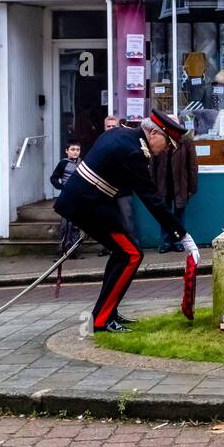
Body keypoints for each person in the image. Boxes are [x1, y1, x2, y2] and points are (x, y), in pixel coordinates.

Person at [54, 109, 199, 332]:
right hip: (88, 204)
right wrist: (183, 234)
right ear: (153, 133)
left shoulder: (122, 135)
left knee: (124, 253)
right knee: (131, 254)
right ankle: (102, 319)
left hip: (91, 202)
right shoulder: (133, 151)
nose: (167, 149)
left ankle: (107, 312)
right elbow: (151, 198)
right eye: (167, 142)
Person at [152, 115, 198, 253]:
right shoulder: (159, 140)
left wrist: (192, 187)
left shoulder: (186, 142)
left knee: (179, 215)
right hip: (163, 184)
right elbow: (152, 165)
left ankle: (178, 241)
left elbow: (192, 166)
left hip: (180, 185)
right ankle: (166, 241)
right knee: (164, 214)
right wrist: (152, 185)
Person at [97, 115, 138, 257]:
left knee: (127, 220)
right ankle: (109, 247)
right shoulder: (100, 142)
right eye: (109, 126)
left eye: (114, 126)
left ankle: (133, 247)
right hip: (105, 189)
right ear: (104, 127)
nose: (111, 129)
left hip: (123, 188)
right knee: (107, 220)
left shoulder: (123, 142)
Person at [50, 141, 84, 256]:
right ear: (67, 151)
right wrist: (60, 186)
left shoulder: (82, 163)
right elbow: (54, 178)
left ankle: (73, 250)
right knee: (65, 224)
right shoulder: (63, 163)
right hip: (66, 197)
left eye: (77, 150)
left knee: (76, 224)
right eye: (73, 149)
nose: (75, 152)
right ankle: (62, 250)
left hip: (79, 197)